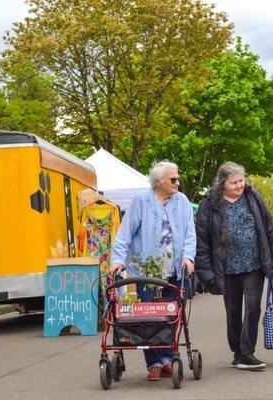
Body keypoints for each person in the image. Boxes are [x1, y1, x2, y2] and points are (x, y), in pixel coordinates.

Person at [109, 161, 196, 381]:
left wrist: (188, 257)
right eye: (173, 179)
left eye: (178, 178)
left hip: (175, 270)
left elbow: (189, 234)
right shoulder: (141, 201)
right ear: (158, 182)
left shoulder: (183, 201)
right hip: (147, 272)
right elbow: (125, 233)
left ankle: (167, 359)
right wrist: (118, 260)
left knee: (171, 316)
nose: (178, 182)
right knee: (148, 317)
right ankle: (154, 364)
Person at [195, 162, 273, 370]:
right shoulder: (210, 203)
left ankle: (247, 352)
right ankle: (237, 351)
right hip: (226, 266)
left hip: (254, 263)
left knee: (253, 307)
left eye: (241, 180)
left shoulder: (253, 197)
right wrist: (206, 272)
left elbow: (268, 228)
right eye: (233, 182)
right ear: (222, 182)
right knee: (233, 309)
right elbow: (203, 240)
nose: (239, 185)